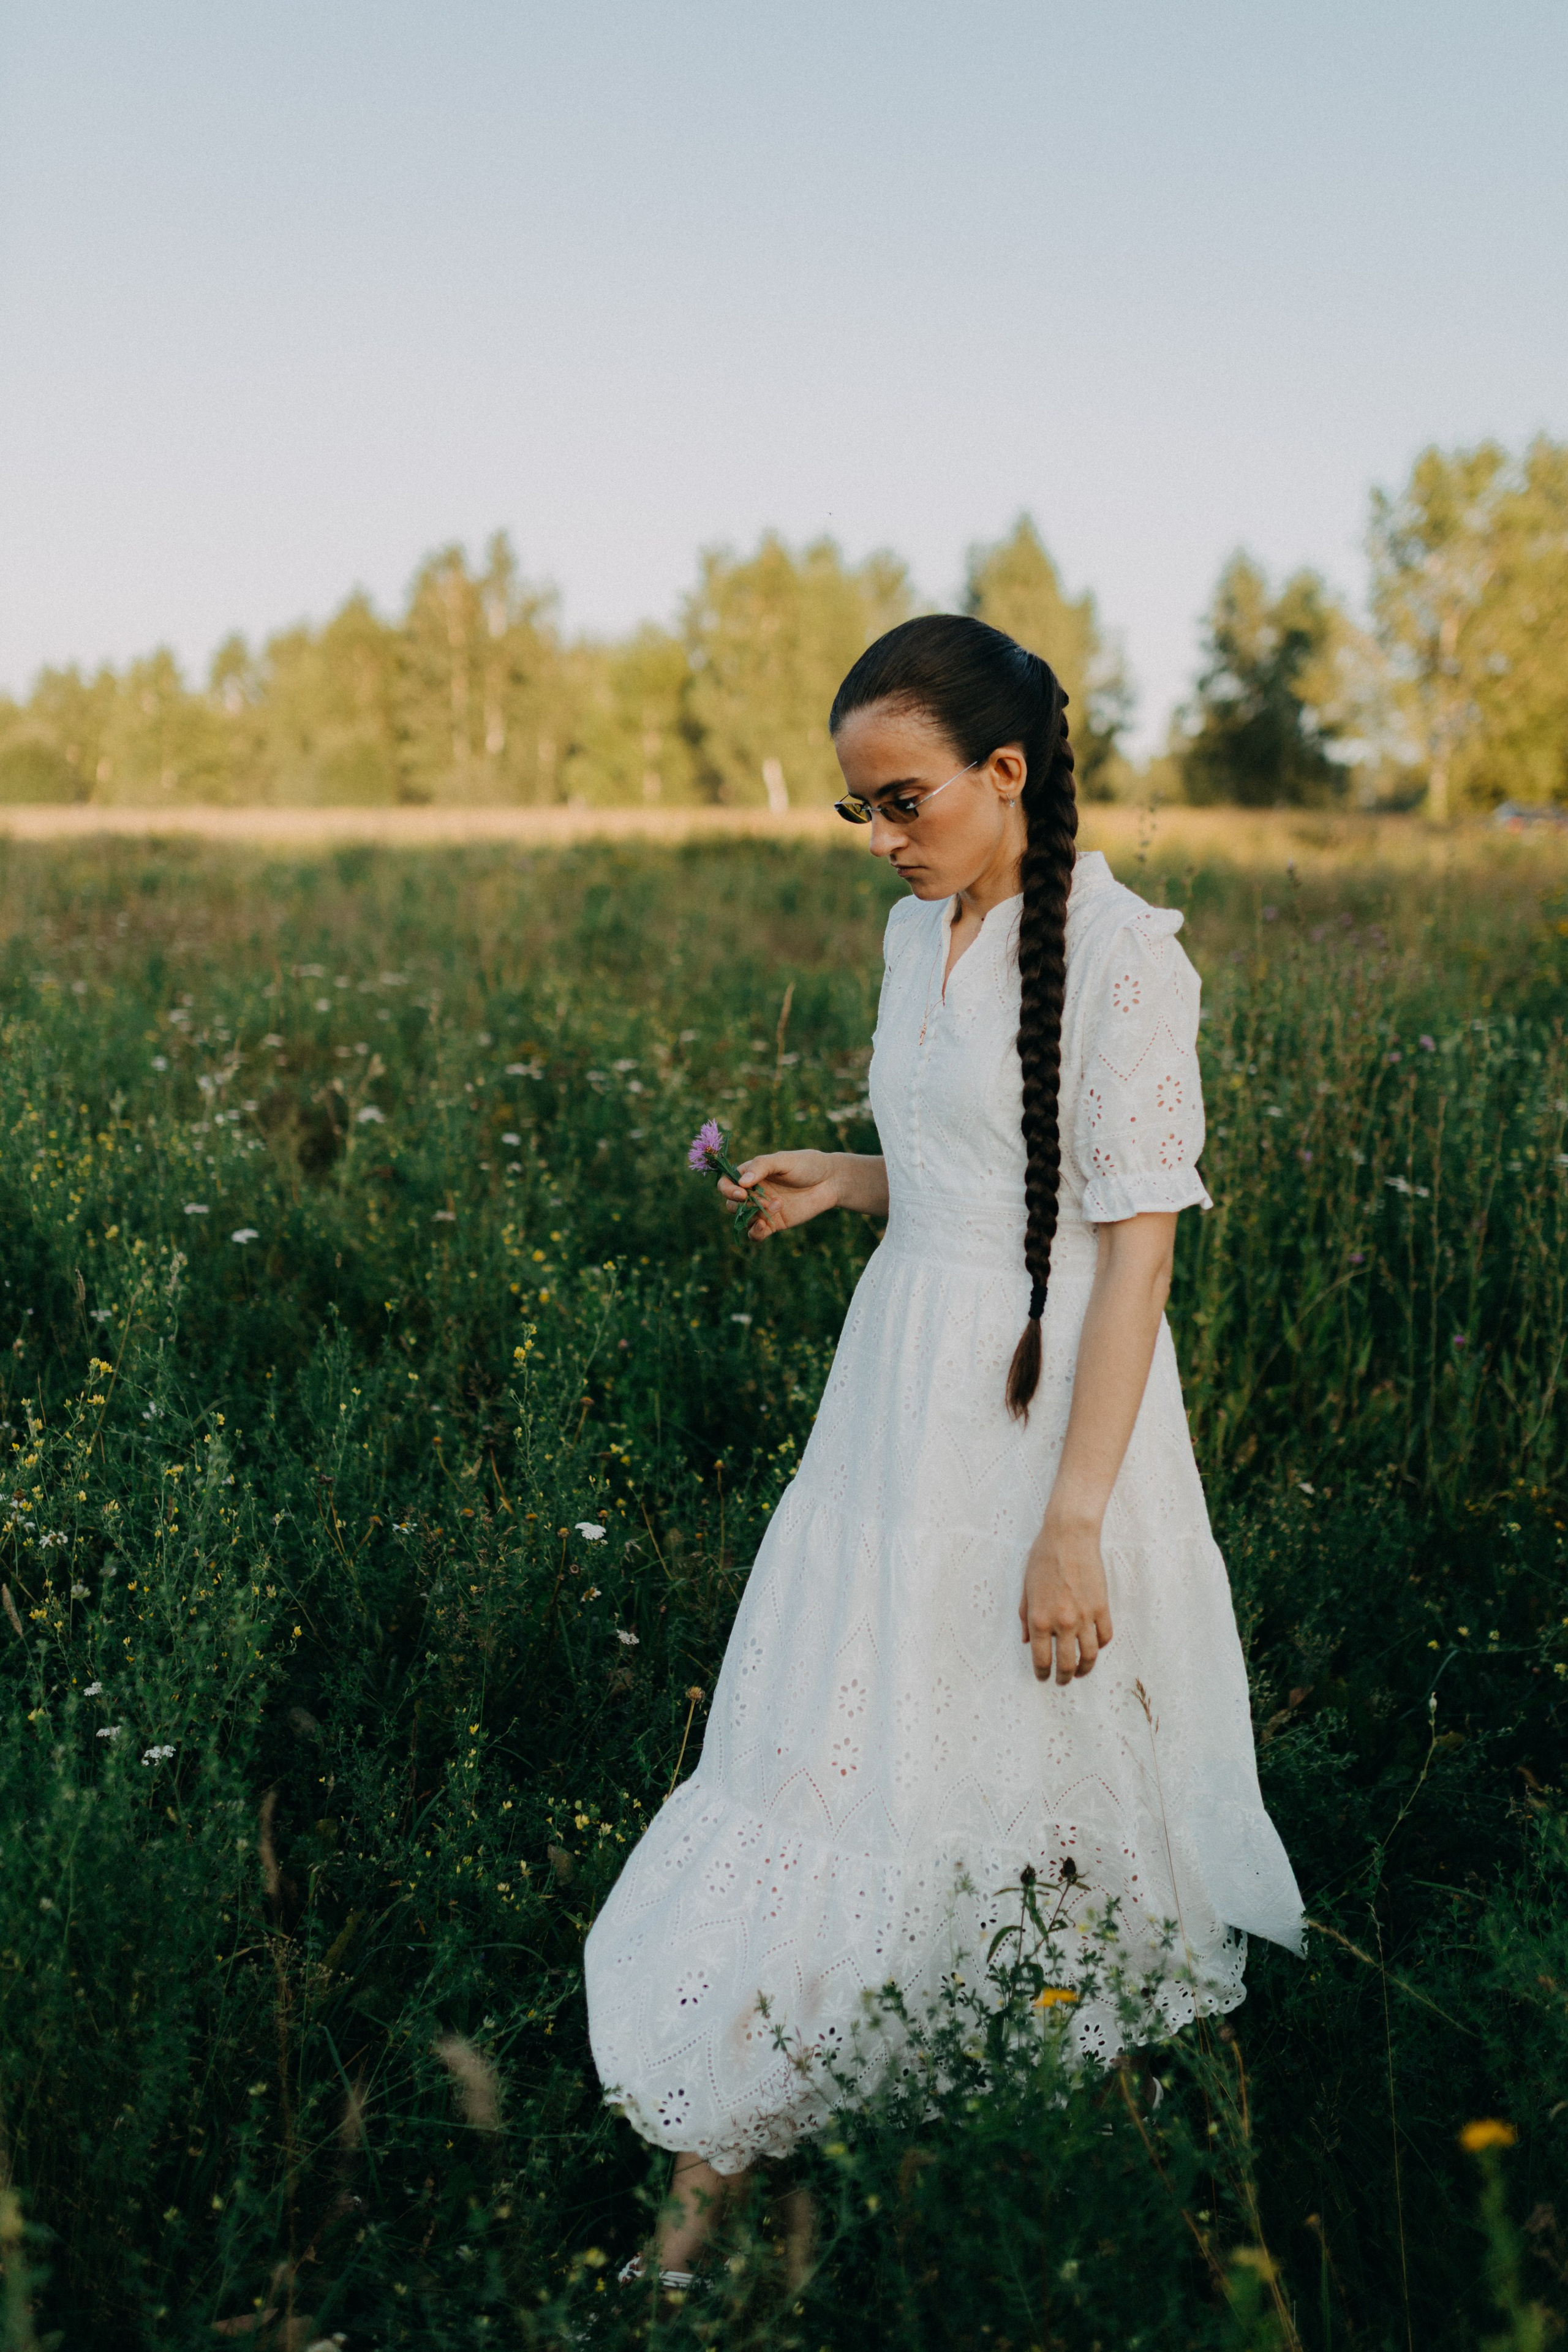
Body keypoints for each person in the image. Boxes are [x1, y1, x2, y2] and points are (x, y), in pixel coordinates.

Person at [584, 616, 1303, 2287]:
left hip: (1052, 1415)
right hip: (898, 1395)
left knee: (1038, 1772)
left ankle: (1096, 2206)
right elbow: (988, 1165)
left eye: (904, 801)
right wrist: (854, 1174)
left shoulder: (1128, 960)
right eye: (864, 814)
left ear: (1008, 771)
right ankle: (709, 2196)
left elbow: (1131, 1249)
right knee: (826, 1755)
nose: (885, 840)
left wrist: (1075, 1521)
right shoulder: (923, 938)